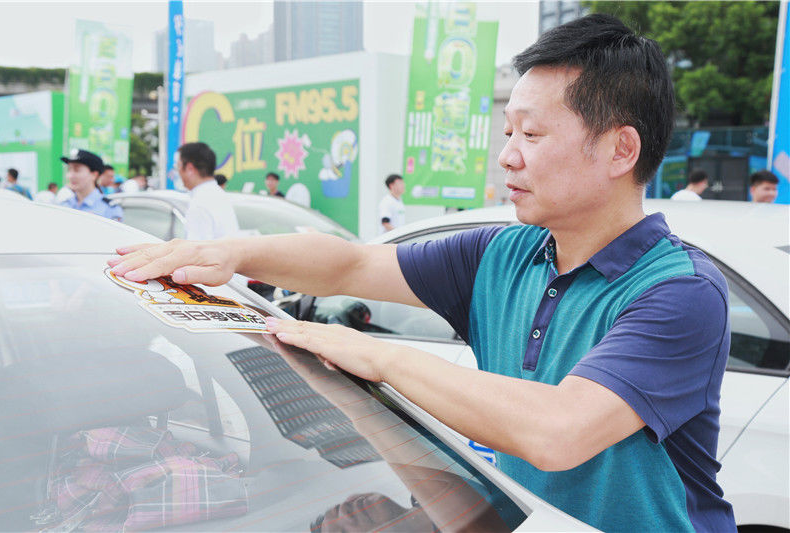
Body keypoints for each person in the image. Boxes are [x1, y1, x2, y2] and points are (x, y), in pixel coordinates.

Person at [110, 14, 734, 532]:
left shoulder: (679, 294)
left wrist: (376, 358)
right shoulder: (503, 255)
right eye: (508, 129)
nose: (507, 154)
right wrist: (235, 256)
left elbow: (558, 432)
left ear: (621, 149)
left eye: (534, 134)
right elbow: (352, 262)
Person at [175, 142, 238, 240]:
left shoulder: (199, 204)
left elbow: (197, 251)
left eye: (178, 166)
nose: (178, 172)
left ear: (190, 168)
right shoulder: (218, 194)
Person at [59, 149, 123, 221]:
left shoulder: (110, 209)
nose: (70, 176)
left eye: (77, 170)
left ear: (94, 175)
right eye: (69, 170)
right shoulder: (64, 205)